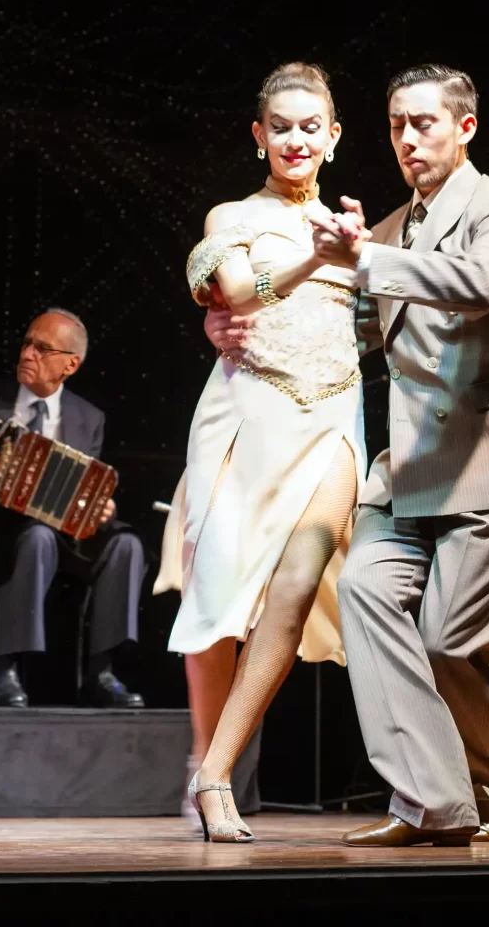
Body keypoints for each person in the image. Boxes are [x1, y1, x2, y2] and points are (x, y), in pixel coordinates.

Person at [210, 62, 489, 846]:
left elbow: (483, 281)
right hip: (404, 477)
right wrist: (227, 326)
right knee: (368, 596)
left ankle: (480, 786)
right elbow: (339, 325)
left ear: (465, 127)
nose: (408, 139)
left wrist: (364, 261)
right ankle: (431, 804)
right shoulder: (381, 230)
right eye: (398, 125)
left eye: (425, 123)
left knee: (447, 645)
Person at [160, 62, 366, 843]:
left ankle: (216, 777)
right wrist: (318, 258)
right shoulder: (233, 215)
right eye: (280, 125)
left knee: (298, 580)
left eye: (311, 125)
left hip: (334, 423)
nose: (295, 138)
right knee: (217, 607)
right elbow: (238, 290)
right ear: (259, 136)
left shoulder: (357, 227)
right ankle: (205, 762)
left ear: (334, 137)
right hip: (249, 418)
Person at [0, 308, 145, 709]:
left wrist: (98, 505)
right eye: (26, 343)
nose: (27, 354)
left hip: (60, 533)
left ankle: (101, 674)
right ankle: (4, 671)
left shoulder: (89, 418)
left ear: (70, 364)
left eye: (42, 348)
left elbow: (79, 487)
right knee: (37, 537)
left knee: (127, 545)